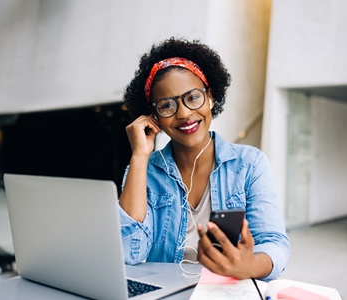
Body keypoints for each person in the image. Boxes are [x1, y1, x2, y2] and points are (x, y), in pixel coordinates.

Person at [118, 37, 290, 281]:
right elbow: (128, 253)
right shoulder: (144, 171)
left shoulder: (249, 164)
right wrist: (139, 155)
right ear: (154, 116)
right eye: (167, 105)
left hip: (227, 291)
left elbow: (274, 244)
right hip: (168, 292)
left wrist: (249, 265)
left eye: (193, 97)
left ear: (210, 97)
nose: (185, 113)